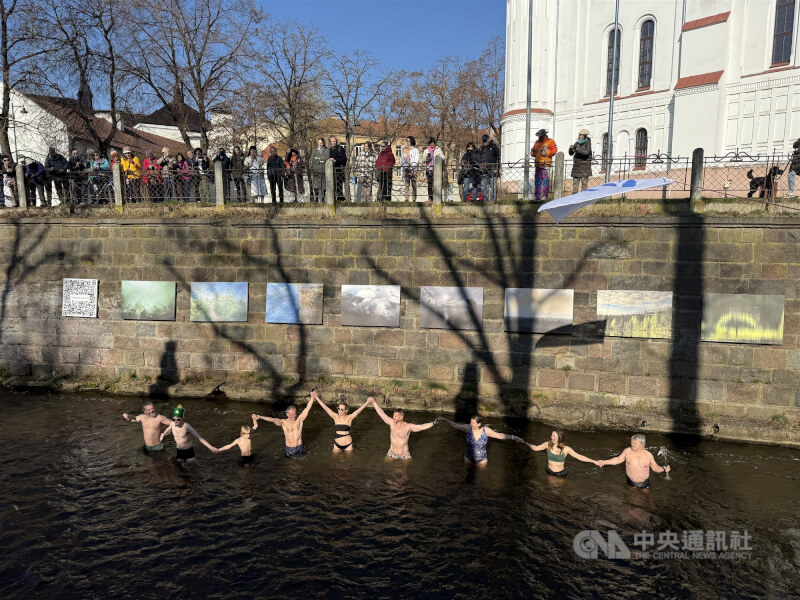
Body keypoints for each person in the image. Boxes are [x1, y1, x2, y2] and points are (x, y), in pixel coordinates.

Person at [435, 415, 519, 465]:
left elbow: (499, 436)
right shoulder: (468, 428)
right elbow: (456, 425)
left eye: (473, 423)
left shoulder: (486, 430)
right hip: (468, 457)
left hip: (482, 460)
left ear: (479, 424)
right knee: (467, 475)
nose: (470, 424)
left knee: (481, 477)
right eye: (470, 422)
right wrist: (445, 420)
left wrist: (513, 437)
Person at [597, 433, 671, 489]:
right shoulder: (627, 451)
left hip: (644, 483)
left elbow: (655, 468)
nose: (632, 444)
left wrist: (663, 469)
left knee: (646, 500)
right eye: (631, 442)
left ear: (641, 444)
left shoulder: (648, 455)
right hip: (631, 481)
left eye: (635, 443)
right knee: (630, 499)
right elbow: (618, 459)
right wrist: (604, 462)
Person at [515, 430, 601, 477]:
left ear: (559, 438)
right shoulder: (547, 444)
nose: (552, 437)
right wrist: (524, 442)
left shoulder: (566, 449)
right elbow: (536, 448)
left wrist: (593, 461)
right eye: (551, 435)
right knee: (551, 490)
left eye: (554, 436)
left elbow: (580, 457)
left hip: (561, 473)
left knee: (559, 492)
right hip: (549, 471)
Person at [371, 402, 436, 460]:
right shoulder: (391, 423)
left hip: (404, 455)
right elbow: (381, 414)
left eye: (396, 416)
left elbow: (421, 427)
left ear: (401, 417)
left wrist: (433, 423)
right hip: (391, 453)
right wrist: (374, 402)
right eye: (393, 415)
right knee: (386, 469)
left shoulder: (408, 426)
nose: (393, 417)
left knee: (403, 472)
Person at [530, 129, 557, 201]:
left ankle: (545, 195)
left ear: (544, 135)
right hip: (538, 164)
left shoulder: (550, 141)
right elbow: (532, 152)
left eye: (541, 136)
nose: (539, 138)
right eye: (539, 136)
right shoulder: (537, 142)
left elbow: (554, 151)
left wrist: (547, 152)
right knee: (538, 180)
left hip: (546, 164)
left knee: (545, 180)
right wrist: (533, 152)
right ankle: (537, 196)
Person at [476, 133, 501, 201]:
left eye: (486, 141)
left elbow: (498, 156)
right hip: (484, 170)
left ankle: (493, 200)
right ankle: (485, 199)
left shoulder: (493, 147)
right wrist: (480, 165)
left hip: (493, 169)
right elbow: (478, 158)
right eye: (483, 141)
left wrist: (497, 168)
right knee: (483, 186)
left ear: (488, 140)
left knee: (493, 187)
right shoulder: (481, 148)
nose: (485, 142)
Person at [422, 137, 445, 202]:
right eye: (431, 143)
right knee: (430, 184)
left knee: (437, 184)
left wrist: (438, 156)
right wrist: (427, 158)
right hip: (429, 169)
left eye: (433, 143)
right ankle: (430, 198)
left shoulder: (438, 149)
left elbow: (443, 158)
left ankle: (438, 198)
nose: (432, 144)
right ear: (429, 144)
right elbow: (423, 160)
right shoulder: (426, 150)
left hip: (437, 169)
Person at [310, 138, 329, 202]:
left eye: (321, 142)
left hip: (323, 170)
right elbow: (312, 159)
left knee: (323, 186)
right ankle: (316, 199)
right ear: (317, 143)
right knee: (316, 186)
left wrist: (318, 158)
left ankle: (323, 200)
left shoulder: (326, 150)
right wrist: (320, 160)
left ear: (323, 143)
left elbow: (326, 158)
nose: (320, 144)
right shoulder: (314, 151)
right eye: (319, 142)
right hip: (316, 171)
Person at [329, 136, 348, 201]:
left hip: (339, 171)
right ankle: (333, 200)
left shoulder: (340, 149)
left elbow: (344, 159)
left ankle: (340, 200)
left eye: (334, 141)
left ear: (336, 141)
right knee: (332, 187)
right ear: (330, 142)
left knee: (339, 187)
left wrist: (336, 160)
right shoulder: (329, 150)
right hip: (331, 171)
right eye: (332, 141)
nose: (333, 143)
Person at [401, 136, 419, 202]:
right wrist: (405, 166)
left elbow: (416, 160)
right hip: (406, 169)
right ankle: (406, 198)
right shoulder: (404, 149)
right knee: (406, 184)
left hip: (413, 169)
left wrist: (411, 167)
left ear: (411, 141)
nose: (407, 142)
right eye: (407, 141)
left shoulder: (415, 150)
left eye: (408, 141)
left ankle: (414, 198)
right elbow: (402, 159)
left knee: (413, 184)